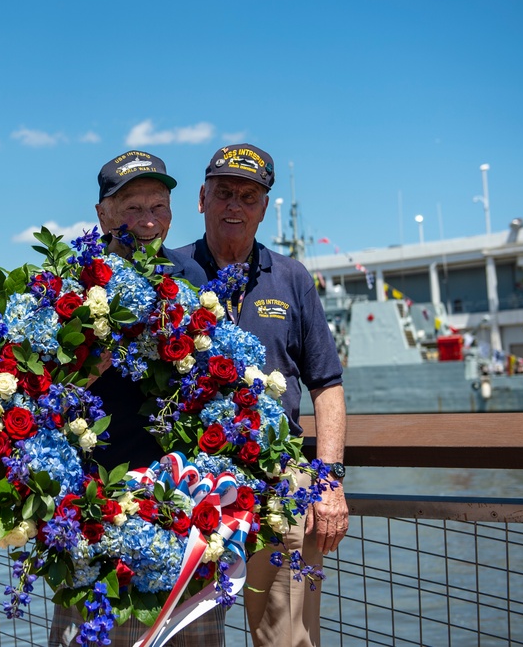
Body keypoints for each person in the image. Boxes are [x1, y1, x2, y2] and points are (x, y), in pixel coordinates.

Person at [175, 144, 348, 647]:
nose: (235, 205)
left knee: (288, 637)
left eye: (248, 196)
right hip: (190, 484)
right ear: (202, 199)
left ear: (265, 207)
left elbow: (327, 386)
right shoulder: (170, 272)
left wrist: (328, 479)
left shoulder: (292, 278)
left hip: (280, 485)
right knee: (188, 636)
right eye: (223, 192)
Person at [49, 151, 220, 647]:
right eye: (131, 208)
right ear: (102, 214)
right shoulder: (70, 283)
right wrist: (83, 368)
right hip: (94, 506)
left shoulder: (191, 278)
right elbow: (36, 392)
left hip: (182, 505)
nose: (148, 220)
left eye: (159, 205)